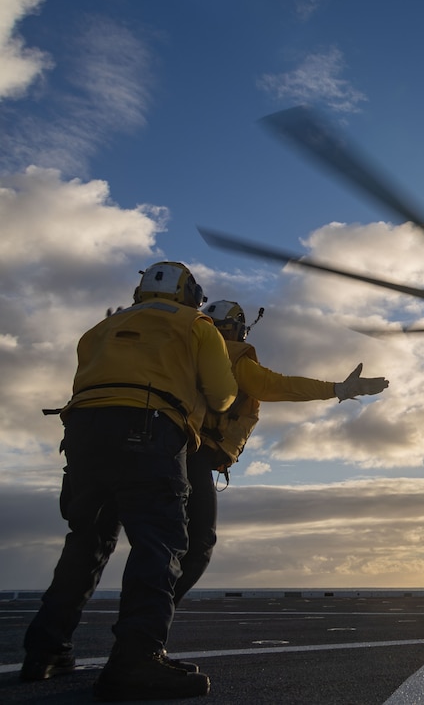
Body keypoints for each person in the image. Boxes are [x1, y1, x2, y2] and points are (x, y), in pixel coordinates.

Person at [22, 262, 238, 701]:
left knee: (85, 542)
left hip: (82, 432)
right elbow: (221, 392)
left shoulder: (103, 326)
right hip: (149, 428)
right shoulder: (195, 324)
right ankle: (136, 659)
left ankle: (45, 652)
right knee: (159, 544)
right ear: (191, 293)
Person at [173, 300, 389, 604]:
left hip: (150, 445)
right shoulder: (232, 356)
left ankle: (142, 627)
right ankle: (148, 626)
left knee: (156, 541)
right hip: (190, 454)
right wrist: (338, 389)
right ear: (235, 330)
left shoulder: (176, 353)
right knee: (198, 544)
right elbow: (278, 386)